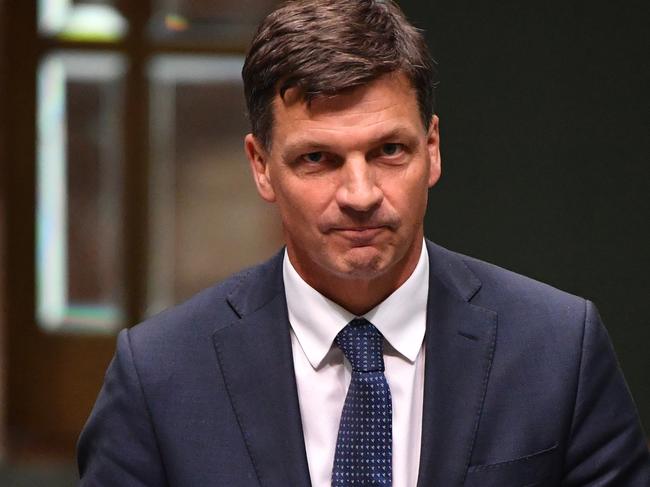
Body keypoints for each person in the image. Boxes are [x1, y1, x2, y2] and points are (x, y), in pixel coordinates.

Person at [77, 1, 650, 485]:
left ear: (432, 147)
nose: (359, 194)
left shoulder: (557, 350)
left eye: (389, 151)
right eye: (318, 159)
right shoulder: (160, 377)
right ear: (261, 167)